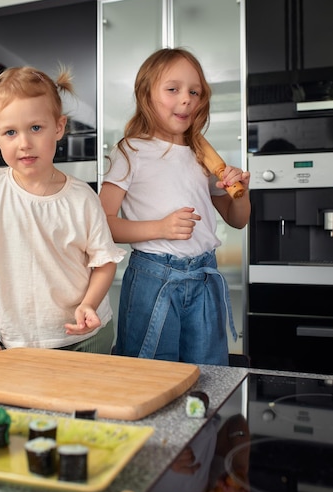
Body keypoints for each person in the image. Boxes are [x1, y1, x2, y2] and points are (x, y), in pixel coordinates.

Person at [0, 66, 125, 362]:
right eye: (10, 132)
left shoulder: (82, 198)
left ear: (59, 127)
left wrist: (89, 305)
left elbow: (104, 263)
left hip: (85, 338)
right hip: (16, 339)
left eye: (36, 128)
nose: (24, 143)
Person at [99, 48, 250, 365]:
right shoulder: (131, 150)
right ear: (146, 95)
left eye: (194, 92)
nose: (187, 99)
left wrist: (243, 193)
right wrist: (159, 228)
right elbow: (103, 224)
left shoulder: (201, 154)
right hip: (154, 279)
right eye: (173, 89)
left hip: (205, 276)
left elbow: (237, 220)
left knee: (208, 373)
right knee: (150, 374)